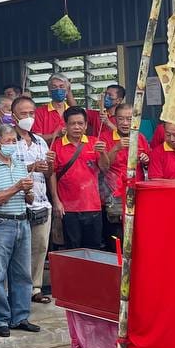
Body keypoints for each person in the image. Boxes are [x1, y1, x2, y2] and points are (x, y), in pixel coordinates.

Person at [0, 125, 39, 337]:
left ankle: (20, 316)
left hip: (22, 221)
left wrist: (28, 192)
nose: (12, 145)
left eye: (14, 140)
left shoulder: (20, 164)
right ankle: (0, 319)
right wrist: (16, 187)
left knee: (23, 273)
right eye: (8, 141)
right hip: (0, 224)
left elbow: (28, 198)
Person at [10, 96, 54, 303]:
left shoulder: (40, 141)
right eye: (23, 114)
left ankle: (35, 288)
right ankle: (17, 289)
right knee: (17, 249)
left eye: (31, 113)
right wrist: (30, 167)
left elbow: (48, 173)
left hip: (41, 200)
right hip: (16, 203)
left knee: (40, 247)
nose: (28, 117)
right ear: (13, 116)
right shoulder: (7, 141)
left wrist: (48, 166)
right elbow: (1, 168)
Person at [49, 106, 110, 251]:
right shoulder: (57, 146)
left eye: (80, 123)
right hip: (68, 207)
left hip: (93, 205)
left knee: (94, 248)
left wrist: (103, 153)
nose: (77, 127)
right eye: (72, 123)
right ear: (65, 125)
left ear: (86, 125)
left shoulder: (94, 142)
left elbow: (105, 167)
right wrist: (56, 201)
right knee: (72, 248)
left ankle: (91, 274)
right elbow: (51, 174)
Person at [100, 103, 151, 248]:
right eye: (121, 119)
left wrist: (145, 160)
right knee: (117, 237)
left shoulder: (140, 137)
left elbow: (148, 163)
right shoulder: (105, 137)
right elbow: (103, 167)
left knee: (138, 235)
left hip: (137, 192)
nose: (125, 123)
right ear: (114, 119)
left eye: (129, 119)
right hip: (114, 194)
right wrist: (116, 148)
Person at [32, 73, 75, 142]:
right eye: (54, 87)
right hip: (48, 152)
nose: (58, 90)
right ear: (49, 91)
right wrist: (55, 135)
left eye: (61, 86)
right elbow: (36, 139)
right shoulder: (40, 112)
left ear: (67, 91)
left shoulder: (72, 112)